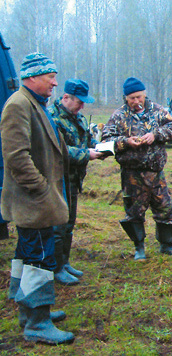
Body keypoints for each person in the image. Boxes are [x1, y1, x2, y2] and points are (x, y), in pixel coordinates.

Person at [1, 52, 75, 344]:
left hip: (36, 199)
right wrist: (43, 189)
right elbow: (17, 158)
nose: (55, 83)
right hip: (33, 199)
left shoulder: (34, 104)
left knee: (27, 253)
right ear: (32, 77)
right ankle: (37, 322)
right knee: (39, 259)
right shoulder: (18, 105)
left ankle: (28, 309)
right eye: (50, 77)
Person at [102, 77, 172, 260]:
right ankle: (139, 248)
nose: (136, 102)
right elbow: (106, 141)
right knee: (134, 213)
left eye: (139, 97)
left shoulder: (158, 111)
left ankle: (167, 246)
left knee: (165, 210)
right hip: (132, 175)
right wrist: (125, 142)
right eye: (131, 98)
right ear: (126, 98)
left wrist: (156, 134)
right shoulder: (118, 116)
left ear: (145, 94)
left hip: (155, 173)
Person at [48, 78, 103, 285]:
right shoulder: (53, 118)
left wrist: (100, 147)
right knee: (58, 226)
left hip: (73, 179)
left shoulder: (77, 118)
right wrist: (86, 155)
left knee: (69, 223)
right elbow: (58, 151)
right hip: (57, 179)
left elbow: (87, 140)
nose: (82, 106)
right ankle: (55, 268)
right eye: (79, 102)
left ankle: (65, 261)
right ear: (65, 98)